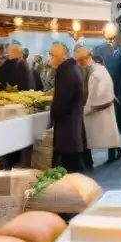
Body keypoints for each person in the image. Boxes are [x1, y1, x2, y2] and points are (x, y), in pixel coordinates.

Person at [75, 47, 121, 169]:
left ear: (88, 58)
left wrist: (88, 107)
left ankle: (113, 153)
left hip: (100, 108)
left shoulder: (97, 73)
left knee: (106, 134)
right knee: (105, 134)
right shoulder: (95, 70)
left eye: (81, 60)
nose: (79, 63)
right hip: (99, 108)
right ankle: (111, 153)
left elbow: (99, 92)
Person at [47, 42, 85, 173]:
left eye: (52, 55)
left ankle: (78, 190)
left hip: (67, 128)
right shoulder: (72, 69)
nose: (50, 59)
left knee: (72, 165)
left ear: (60, 57)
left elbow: (62, 101)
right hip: (72, 126)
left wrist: (54, 114)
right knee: (73, 163)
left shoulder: (65, 72)